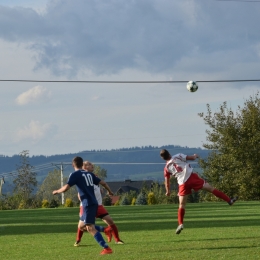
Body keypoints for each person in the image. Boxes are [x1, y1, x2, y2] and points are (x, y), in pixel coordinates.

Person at [160, 149, 237, 235]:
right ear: (169, 153)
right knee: (211, 189)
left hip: (182, 183)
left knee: (181, 205)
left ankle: (180, 223)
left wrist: (168, 191)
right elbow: (192, 158)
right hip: (192, 177)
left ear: (163, 158)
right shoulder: (178, 156)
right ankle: (229, 200)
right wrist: (195, 155)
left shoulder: (166, 168)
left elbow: (167, 181)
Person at [52, 156, 114, 255]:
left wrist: (57, 191)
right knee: (81, 226)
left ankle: (106, 248)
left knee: (90, 228)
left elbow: (66, 188)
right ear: (82, 165)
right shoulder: (90, 174)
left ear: (73, 165)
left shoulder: (75, 174)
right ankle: (105, 229)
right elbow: (103, 183)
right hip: (93, 203)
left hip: (87, 204)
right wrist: (110, 192)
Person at [74, 161, 124, 246]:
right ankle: (78, 240)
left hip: (98, 205)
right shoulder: (82, 177)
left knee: (110, 221)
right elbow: (81, 191)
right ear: (84, 167)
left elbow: (98, 185)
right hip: (86, 206)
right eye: (89, 164)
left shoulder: (94, 176)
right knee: (82, 226)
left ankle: (117, 239)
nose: (92, 165)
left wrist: (99, 190)